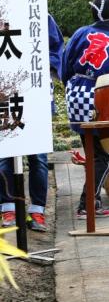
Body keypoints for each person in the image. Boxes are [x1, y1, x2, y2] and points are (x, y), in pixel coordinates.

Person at [62, 0, 109, 219]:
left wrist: (73, 88)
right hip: (100, 99)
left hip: (75, 96)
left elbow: (65, 67)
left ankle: (92, 201)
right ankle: (88, 204)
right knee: (103, 157)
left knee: (93, 152)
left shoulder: (81, 33)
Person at [1, 14, 63, 231]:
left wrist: (43, 70)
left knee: (38, 157)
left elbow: (55, 48)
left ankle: (37, 211)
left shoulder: (37, 11)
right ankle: (8, 207)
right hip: (4, 94)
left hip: (36, 95)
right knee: (5, 155)